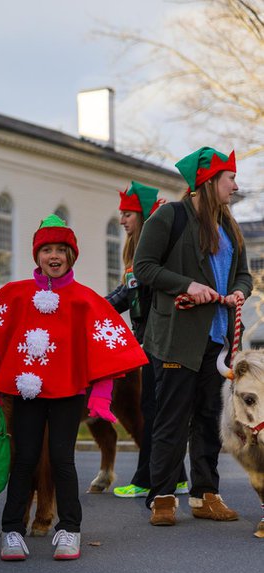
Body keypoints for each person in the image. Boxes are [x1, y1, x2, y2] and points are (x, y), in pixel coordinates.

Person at [0, 216, 147, 561]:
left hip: (69, 394)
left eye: (61, 251)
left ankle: (69, 530)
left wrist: (100, 394)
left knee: (61, 460)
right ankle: (11, 531)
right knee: (23, 460)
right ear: (37, 255)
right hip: (27, 393)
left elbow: (109, 345)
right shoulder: (16, 295)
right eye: (47, 250)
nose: (54, 256)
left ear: (71, 256)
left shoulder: (86, 300)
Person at [133, 147, 252, 526]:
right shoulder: (170, 216)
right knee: (171, 419)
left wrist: (238, 291)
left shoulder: (230, 226)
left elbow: (244, 274)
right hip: (176, 338)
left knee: (208, 420)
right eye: (229, 178)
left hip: (218, 341)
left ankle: (205, 495)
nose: (235, 185)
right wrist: (188, 285)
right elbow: (144, 267)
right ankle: (162, 497)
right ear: (207, 181)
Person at [106, 182, 189, 499]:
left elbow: (128, 295)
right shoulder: (135, 252)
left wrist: (95, 306)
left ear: (142, 216)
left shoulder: (153, 250)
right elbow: (126, 293)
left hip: (163, 339)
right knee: (157, 409)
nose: (122, 220)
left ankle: (146, 478)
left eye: (127, 214)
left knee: (154, 410)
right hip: (151, 341)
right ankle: (177, 477)